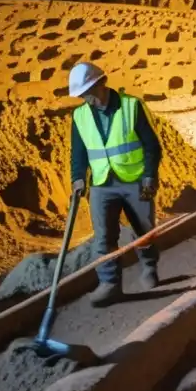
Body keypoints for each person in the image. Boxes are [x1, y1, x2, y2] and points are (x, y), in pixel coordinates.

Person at [68, 62, 161, 307]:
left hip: (135, 180)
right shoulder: (80, 116)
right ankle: (109, 284)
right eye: (82, 95)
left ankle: (149, 266)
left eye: (89, 92)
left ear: (102, 83)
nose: (87, 99)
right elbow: (78, 152)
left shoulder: (131, 106)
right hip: (101, 183)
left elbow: (152, 145)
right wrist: (78, 177)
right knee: (103, 237)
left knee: (143, 230)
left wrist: (150, 175)